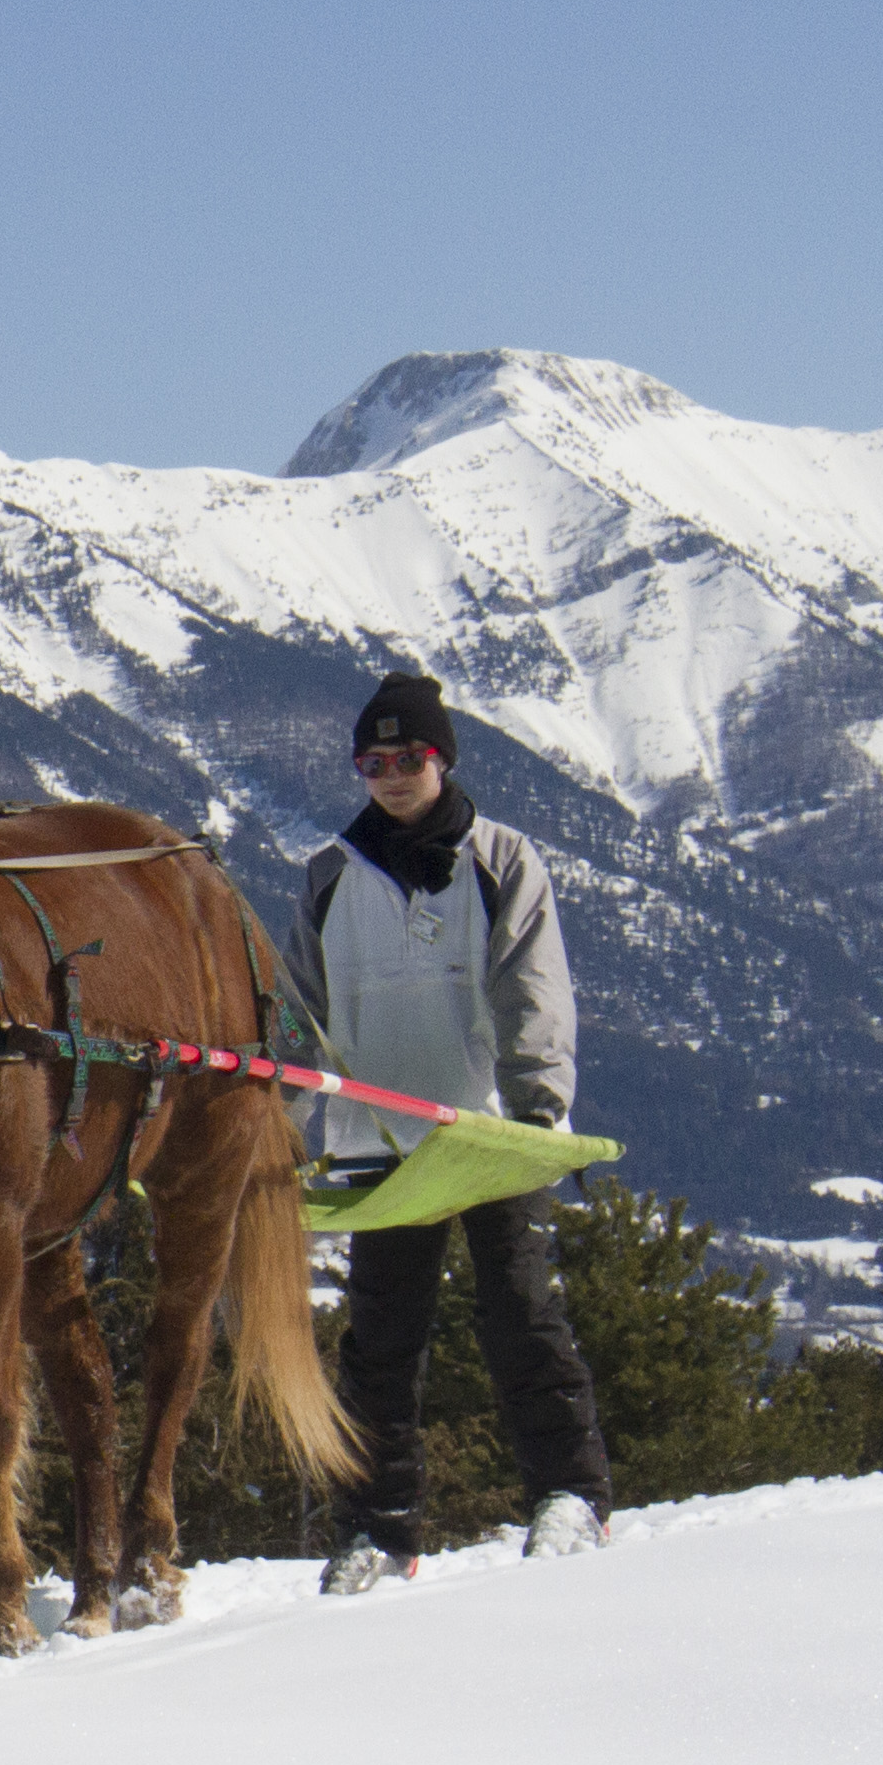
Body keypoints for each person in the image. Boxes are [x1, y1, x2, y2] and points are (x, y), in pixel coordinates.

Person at [284, 669, 615, 1595]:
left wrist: (538, 1109)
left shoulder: (501, 859)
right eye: (373, 759)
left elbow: (531, 988)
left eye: (410, 756)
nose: (391, 775)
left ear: (444, 758)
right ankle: (376, 1528)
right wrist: (277, 1129)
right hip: (378, 1143)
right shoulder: (328, 874)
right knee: (381, 1341)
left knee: (521, 1313)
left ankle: (568, 1495)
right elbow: (296, 1015)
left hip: (488, 1135)